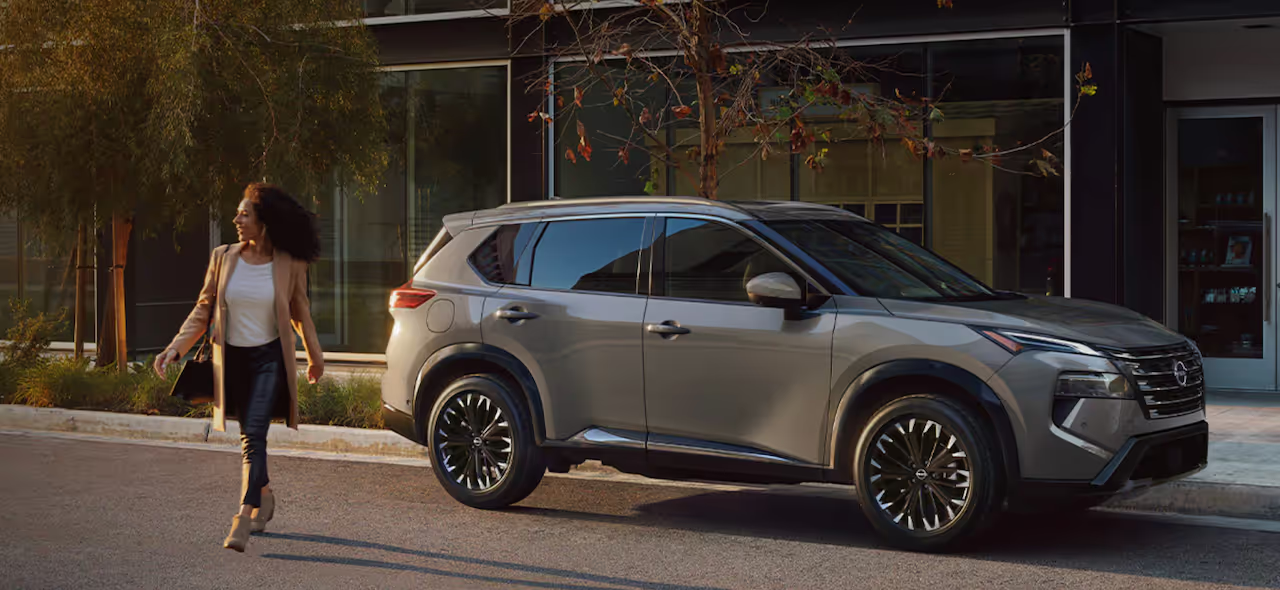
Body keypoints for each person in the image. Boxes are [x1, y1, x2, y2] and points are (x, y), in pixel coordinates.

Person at [155, 183, 324, 552]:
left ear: (264, 221)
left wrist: (315, 357)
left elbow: (300, 313)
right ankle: (265, 494)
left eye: (244, 214)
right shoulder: (223, 257)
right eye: (238, 213)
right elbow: (203, 310)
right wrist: (175, 348)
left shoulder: (289, 263)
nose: (236, 219)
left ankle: (242, 518)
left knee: (254, 437)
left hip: (269, 360)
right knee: (251, 437)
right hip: (233, 361)